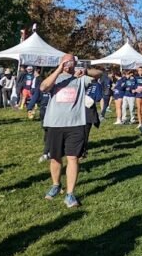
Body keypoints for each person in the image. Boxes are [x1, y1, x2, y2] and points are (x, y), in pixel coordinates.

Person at [40, 54, 105, 207]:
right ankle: (56, 185)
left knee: (73, 158)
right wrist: (59, 69)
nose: (69, 64)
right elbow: (43, 87)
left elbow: (100, 74)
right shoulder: (55, 78)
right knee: (55, 158)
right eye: (66, 61)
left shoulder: (81, 77)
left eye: (72, 61)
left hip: (76, 124)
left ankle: (70, 194)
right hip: (55, 124)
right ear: (61, 62)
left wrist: (86, 72)